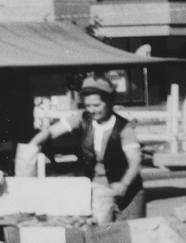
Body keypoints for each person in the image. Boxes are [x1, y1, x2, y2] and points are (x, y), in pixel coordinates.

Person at [28, 77, 145, 220]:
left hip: (128, 191)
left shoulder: (124, 128)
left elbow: (135, 162)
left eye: (96, 105)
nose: (92, 110)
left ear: (109, 101)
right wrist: (30, 146)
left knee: (128, 231)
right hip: (97, 188)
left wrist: (124, 184)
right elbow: (51, 132)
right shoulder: (82, 119)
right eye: (88, 106)